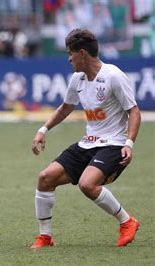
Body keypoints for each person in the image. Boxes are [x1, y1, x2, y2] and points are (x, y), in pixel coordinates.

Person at [30, 29, 141, 249]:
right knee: (45, 178)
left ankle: (127, 222)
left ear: (82, 53)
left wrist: (129, 143)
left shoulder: (113, 76)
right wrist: (43, 129)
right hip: (87, 143)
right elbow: (65, 108)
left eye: (70, 54)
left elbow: (134, 111)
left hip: (113, 144)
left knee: (87, 184)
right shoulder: (77, 78)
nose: (68, 59)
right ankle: (45, 237)